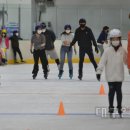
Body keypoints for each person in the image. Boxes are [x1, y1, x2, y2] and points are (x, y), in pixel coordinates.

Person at [96, 29, 127, 118]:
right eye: (113, 39)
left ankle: (119, 107)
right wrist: (99, 72)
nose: (115, 40)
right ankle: (111, 106)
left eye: (117, 39)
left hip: (119, 76)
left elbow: (126, 61)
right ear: (110, 40)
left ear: (120, 39)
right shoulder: (107, 51)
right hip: (110, 76)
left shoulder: (122, 50)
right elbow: (102, 62)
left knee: (119, 92)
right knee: (111, 92)